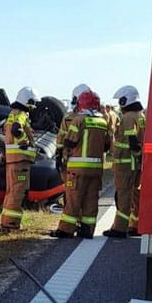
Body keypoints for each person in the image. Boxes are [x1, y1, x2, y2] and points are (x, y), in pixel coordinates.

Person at [50, 90, 111, 239]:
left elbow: (70, 141)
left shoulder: (78, 120)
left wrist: (63, 154)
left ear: (81, 103)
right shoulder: (103, 122)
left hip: (77, 169)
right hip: (96, 170)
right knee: (91, 201)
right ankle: (87, 230)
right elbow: (107, 145)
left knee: (73, 200)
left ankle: (66, 230)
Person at [104, 86, 146, 238]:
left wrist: (137, 154)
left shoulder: (128, 117)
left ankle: (120, 228)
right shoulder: (140, 115)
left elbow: (132, 140)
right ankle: (135, 225)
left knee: (123, 196)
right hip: (135, 164)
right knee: (135, 195)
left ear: (125, 100)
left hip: (125, 163)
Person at [0, 86, 39, 230]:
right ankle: (12, 223)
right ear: (28, 101)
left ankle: (5, 221)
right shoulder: (22, 114)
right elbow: (17, 129)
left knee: (11, 190)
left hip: (12, 160)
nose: (34, 106)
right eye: (33, 103)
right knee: (18, 191)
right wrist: (26, 142)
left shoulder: (12, 114)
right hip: (20, 161)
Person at [55, 84, 91, 179]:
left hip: (72, 163)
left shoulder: (68, 118)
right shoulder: (97, 119)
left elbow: (60, 139)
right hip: (91, 164)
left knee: (72, 191)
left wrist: (58, 155)